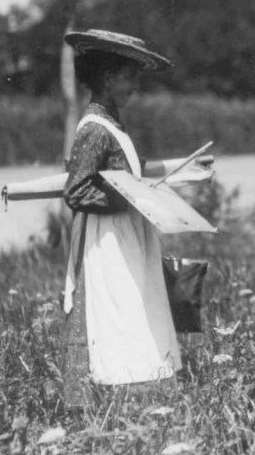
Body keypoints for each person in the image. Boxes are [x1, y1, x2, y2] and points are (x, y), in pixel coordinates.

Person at [60, 29, 181, 407]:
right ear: (107, 77)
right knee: (115, 308)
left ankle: (138, 390)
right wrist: (124, 199)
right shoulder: (94, 128)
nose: (136, 86)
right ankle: (114, 393)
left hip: (127, 230)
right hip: (108, 236)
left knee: (135, 304)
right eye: (130, 76)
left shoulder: (112, 123)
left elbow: (123, 171)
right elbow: (76, 191)